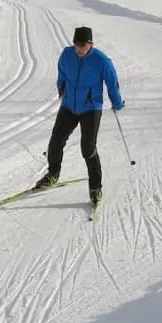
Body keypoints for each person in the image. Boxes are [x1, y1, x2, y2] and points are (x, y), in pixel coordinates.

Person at [34, 25, 124, 206]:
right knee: (56, 140)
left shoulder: (102, 61)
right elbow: (62, 70)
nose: (79, 49)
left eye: (83, 45)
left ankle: (95, 187)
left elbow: (112, 82)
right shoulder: (67, 55)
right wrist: (61, 87)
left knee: (88, 147)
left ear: (90, 44)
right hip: (69, 105)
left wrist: (116, 102)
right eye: (77, 45)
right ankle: (53, 175)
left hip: (91, 107)